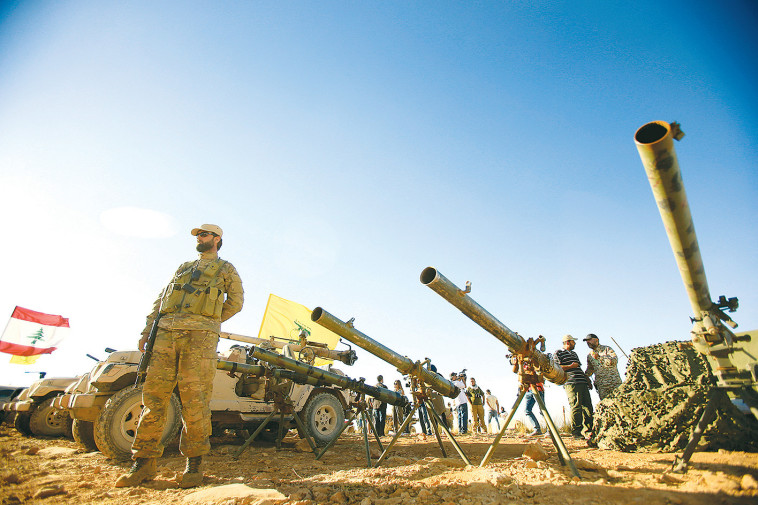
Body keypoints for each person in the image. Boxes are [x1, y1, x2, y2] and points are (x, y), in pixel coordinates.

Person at [116, 224, 244, 488]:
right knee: (153, 399)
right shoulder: (183, 267)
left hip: (199, 340)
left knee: (194, 401)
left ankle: (194, 464)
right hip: (165, 335)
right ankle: (143, 463)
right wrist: (147, 329)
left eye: (205, 234)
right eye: (198, 235)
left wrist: (208, 321)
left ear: (217, 239)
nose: (199, 238)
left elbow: (236, 302)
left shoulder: (226, 269)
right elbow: (161, 299)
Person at [555, 334, 593, 440]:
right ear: (567, 342)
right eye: (573, 342)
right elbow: (557, 367)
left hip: (582, 382)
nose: (575, 343)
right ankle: (576, 432)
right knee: (576, 406)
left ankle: (589, 431)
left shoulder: (574, 354)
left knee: (588, 407)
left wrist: (587, 380)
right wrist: (570, 366)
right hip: (571, 382)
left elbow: (579, 368)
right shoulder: (558, 353)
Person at [511, 349, 545, 436]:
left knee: (543, 411)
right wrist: (518, 363)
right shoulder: (523, 364)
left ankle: (550, 430)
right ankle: (537, 429)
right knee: (527, 410)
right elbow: (515, 371)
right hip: (528, 390)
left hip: (537, 388)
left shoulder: (533, 361)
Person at [583, 334, 622, 400]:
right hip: (602, 387)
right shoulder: (590, 355)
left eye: (589, 340)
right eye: (586, 341)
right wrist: (585, 376)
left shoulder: (607, 349)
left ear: (596, 340)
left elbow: (614, 361)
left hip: (614, 383)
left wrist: (599, 358)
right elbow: (590, 369)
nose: (588, 342)